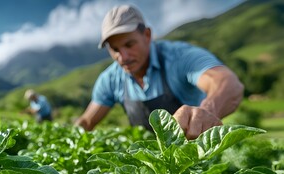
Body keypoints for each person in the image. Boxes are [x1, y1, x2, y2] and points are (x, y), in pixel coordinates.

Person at [75, 4, 244, 139]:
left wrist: (208, 110)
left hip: (194, 164)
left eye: (129, 44)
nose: (123, 56)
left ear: (147, 35)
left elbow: (227, 83)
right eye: (115, 49)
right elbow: (87, 121)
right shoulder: (111, 78)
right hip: (150, 171)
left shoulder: (179, 58)